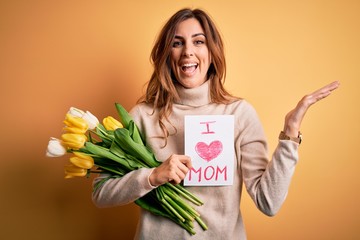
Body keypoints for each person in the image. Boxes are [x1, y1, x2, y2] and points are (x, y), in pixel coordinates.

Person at [92, 8, 339, 239]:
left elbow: (269, 202)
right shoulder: (141, 117)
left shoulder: (239, 114)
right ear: (167, 54)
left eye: (198, 42)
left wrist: (290, 134)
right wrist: (153, 176)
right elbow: (100, 192)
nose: (188, 51)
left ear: (212, 52)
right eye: (177, 43)